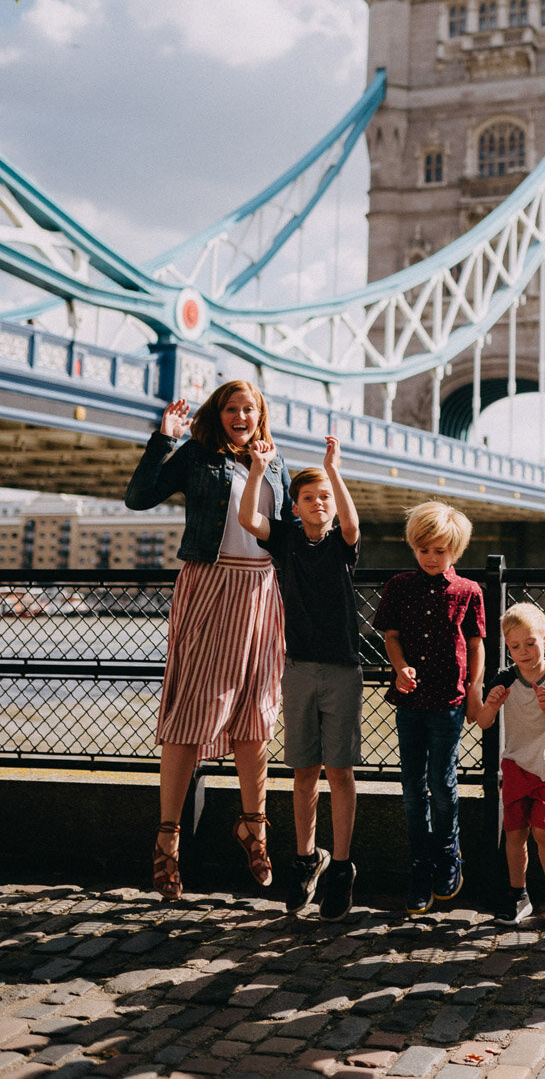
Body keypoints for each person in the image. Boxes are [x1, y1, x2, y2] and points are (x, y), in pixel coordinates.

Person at [125, 380, 292, 900]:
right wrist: (162, 439)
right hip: (210, 583)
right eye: (231, 408)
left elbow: (287, 531)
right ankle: (167, 840)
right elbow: (138, 498)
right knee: (191, 713)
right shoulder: (197, 455)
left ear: (261, 414)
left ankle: (254, 826)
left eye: (250, 408)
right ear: (218, 414)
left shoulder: (278, 463)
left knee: (256, 714)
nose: (241, 416)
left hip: (262, 590)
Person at [238, 432, 362, 921]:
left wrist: (334, 471)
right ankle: (308, 859)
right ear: (295, 505)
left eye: (324, 498)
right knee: (304, 771)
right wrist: (255, 470)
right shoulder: (287, 537)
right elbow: (249, 519)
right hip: (297, 668)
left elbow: (351, 523)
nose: (318, 504)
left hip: (342, 670)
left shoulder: (341, 544)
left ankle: (343, 869)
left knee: (341, 772)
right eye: (308, 497)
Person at [373, 501, 485, 916]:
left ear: (454, 550)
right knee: (410, 786)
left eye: (440, 551)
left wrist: (475, 690)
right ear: (413, 548)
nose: (432, 558)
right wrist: (399, 667)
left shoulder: (469, 591)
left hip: (450, 699)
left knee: (442, 780)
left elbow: (476, 644)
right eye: (424, 550)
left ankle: (447, 853)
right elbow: (392, 636)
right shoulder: (399, 586)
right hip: (409, 699)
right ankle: (420, 862)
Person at [473, 601, 545, 927]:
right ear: (508, 648)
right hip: (516, 764)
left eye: (530, 644)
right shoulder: (504, 678)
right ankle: (517, 895)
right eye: (515, 646)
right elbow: (484, 722)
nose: (524, 652)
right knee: (515, 834)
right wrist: (489, 704)